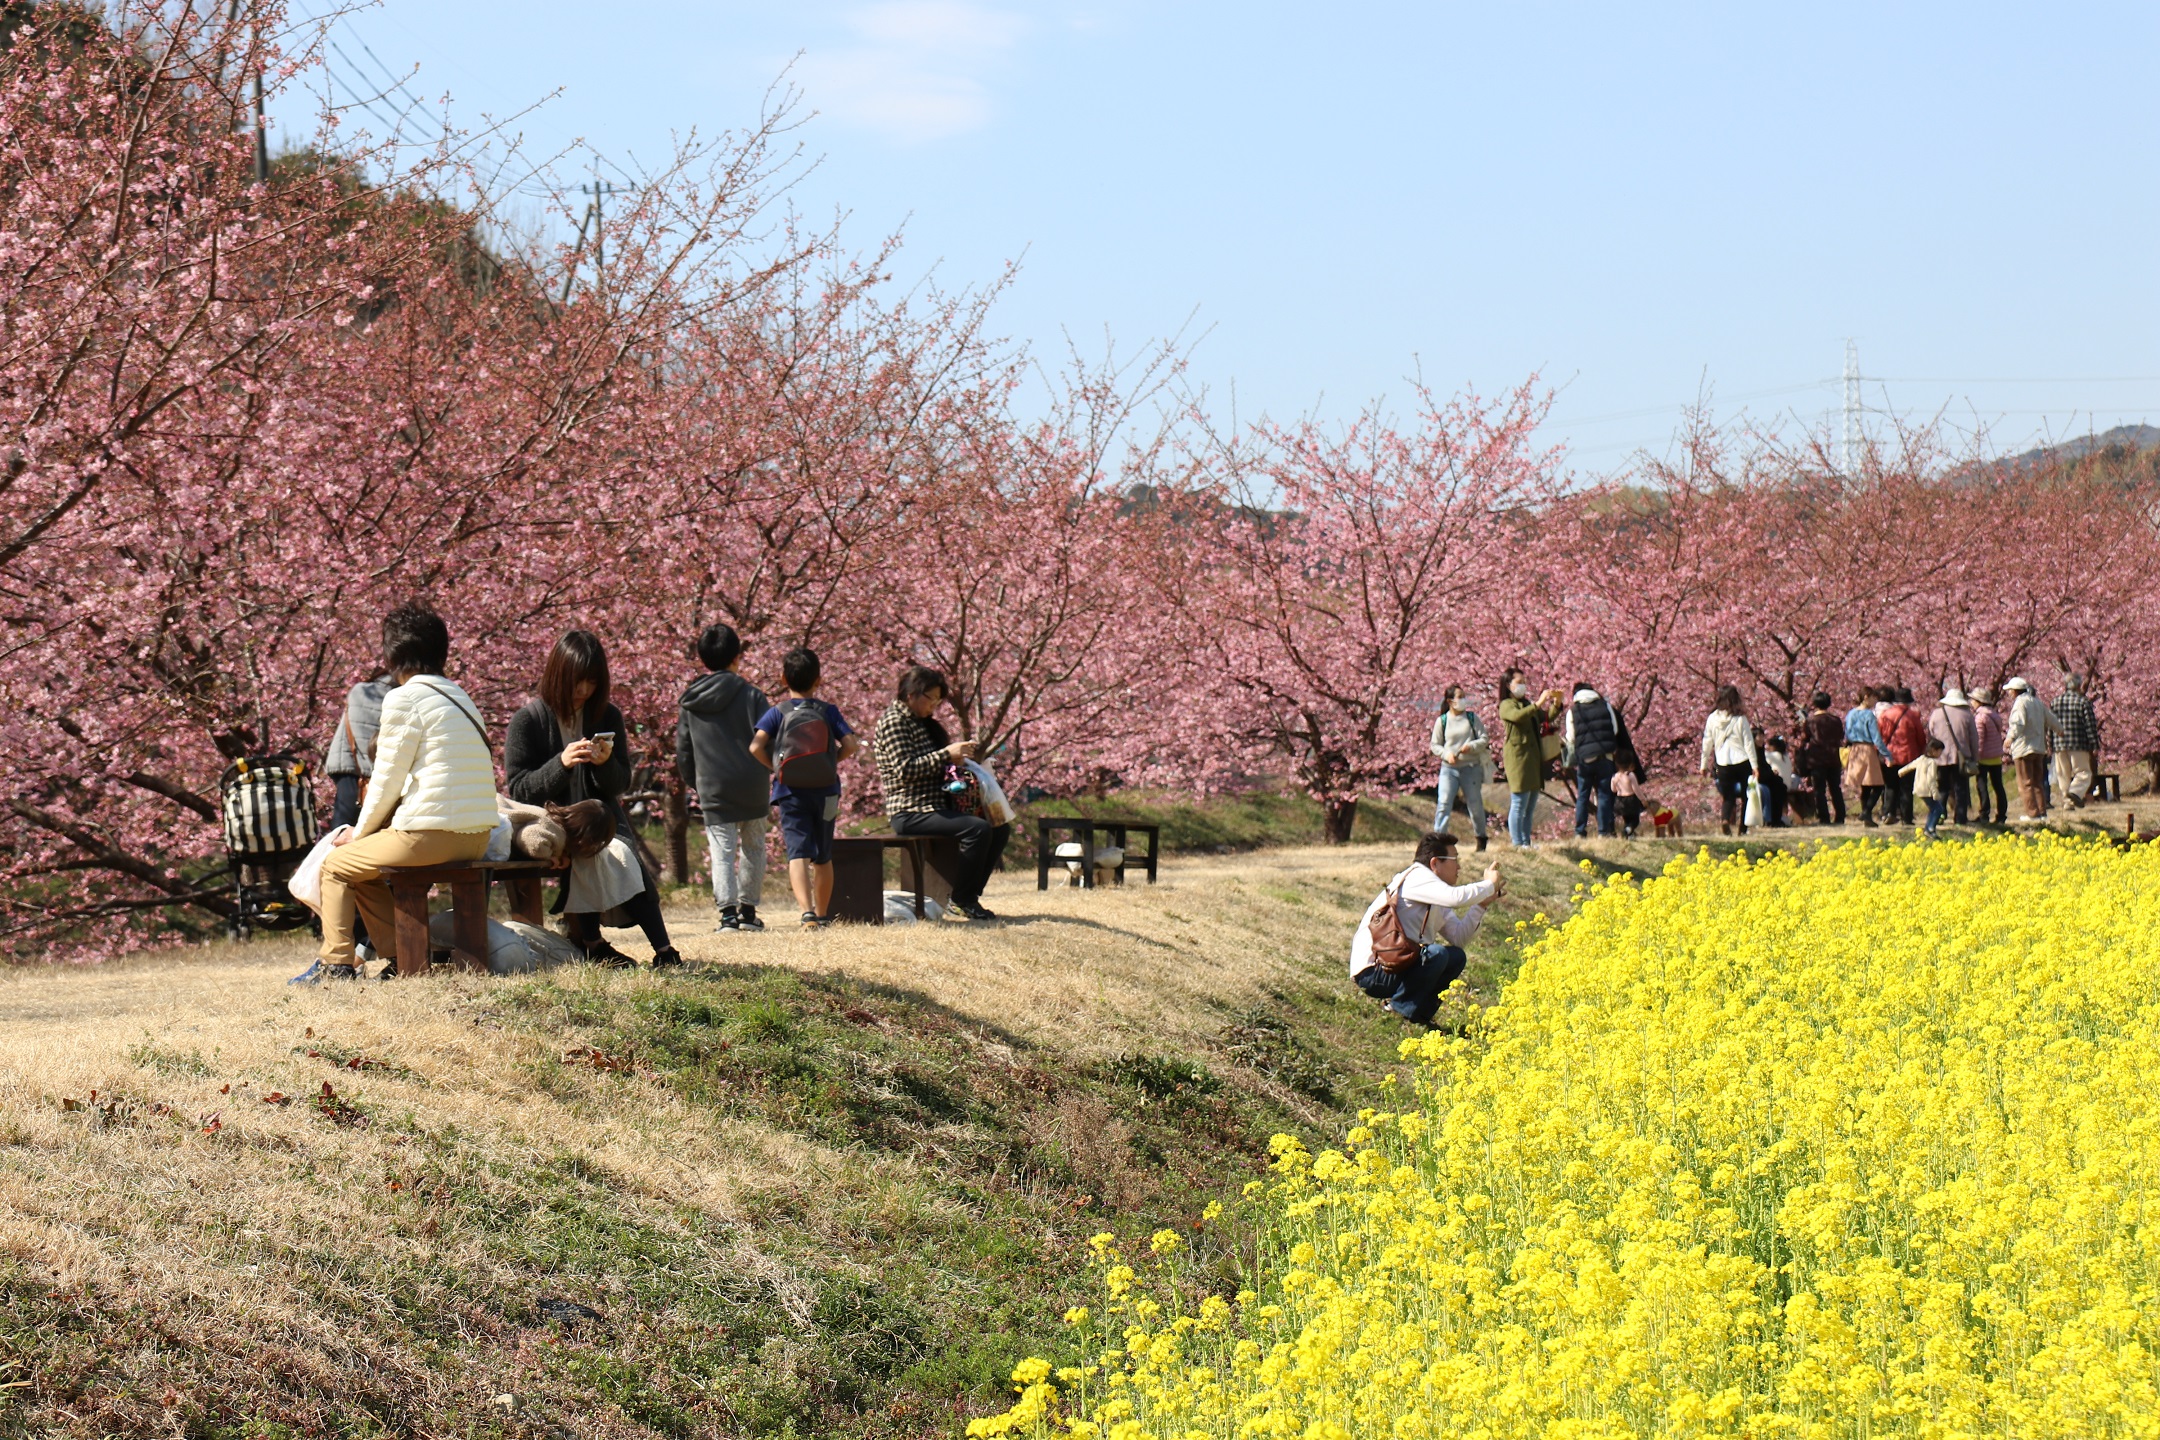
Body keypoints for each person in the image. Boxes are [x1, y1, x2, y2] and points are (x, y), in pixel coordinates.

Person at [293, 603, 499, 985]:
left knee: (337, 865)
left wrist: (359, 832)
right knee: (363, 871)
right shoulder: (460, 696)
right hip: (476, 835)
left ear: (391, 656)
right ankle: (403, 955)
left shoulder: (405, 698)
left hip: (432, 834)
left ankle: (336, 964)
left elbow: (385, 778)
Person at [506, 630, 683, 969]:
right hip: (550, 822)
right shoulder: (528, 721)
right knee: (593, 841)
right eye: (576, 682)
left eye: (591, 683)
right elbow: (519, 790)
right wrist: (560, 763)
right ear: (558, 675)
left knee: (622, 850)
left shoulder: (607, 714)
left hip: (599, 821)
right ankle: (594, 943)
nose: (583, 691)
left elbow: (620, 783)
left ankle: (662, 951)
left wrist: (604, 765)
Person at [873, 666, 998, 920]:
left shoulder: (922, 723)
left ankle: (969, 893)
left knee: (998, 825)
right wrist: (946, 754)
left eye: (938, 700)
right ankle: (962, 899)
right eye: (931, 698)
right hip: (910, 811)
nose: (934, 705)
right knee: (978, 829)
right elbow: (904, 770)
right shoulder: (894, 722)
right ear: (911, 694)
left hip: (935, 806)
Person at [749, 647, 861, 928]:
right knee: (823, 853)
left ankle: (806, 913)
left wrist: (776, 768)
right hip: (826, 791)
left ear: (783, 679)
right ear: (818, 680)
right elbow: (850, 745)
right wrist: (830, 761)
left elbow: (755, 746)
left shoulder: (778, 712)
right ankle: (823, 915)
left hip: (790, 791)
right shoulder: (828, 711)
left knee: (798, 851)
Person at [676, 623, 772, 933]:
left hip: (713, 784)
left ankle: (727, 915)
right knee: (754, 847)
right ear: (736, 657)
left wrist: (697, 783)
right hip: (753, 782)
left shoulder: (690, 701)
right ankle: (748, 911)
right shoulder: (753, 695)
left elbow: (684, 751)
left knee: (721, 850)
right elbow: (770, 738)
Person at [1348, 831, 1501, 1023]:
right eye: (1454, 859)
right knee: (1436, 954)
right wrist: (1488, 884)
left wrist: (1481, 905)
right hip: (1374, 971)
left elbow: (1458, 938)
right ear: (1435, 863)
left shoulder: (1433, 893)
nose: (1459, 866)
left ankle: (1418, 1015)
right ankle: (1398, 1009)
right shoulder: (1416, 877)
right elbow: (1455, 898)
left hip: (1397, 965)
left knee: (1455, 957)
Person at [1497, 670, 1562, 849]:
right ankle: (1517, 843)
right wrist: (1539, 702)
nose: (1523, 685)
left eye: (1524, 681)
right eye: (1519, 682)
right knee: (1519, 802)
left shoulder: (1525, 703)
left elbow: (1545, 717)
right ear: (1508, 685)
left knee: (1530, 803)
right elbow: (1519, 716)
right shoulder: (1506, 705)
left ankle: (1526, 841)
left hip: (1533, 758)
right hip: (1518, 760)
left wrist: (1556, 702)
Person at [1563, 682, 1632, 839]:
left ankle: (1580, 831)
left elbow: (1571, 737)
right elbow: (1614, 729)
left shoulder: (1573, 710)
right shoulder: (1605, 706)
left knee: (1583, 795)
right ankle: (1604, 831)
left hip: (1585, 758)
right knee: (1604, 794)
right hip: (1605, 756)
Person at [1428, 685, 1490, 852]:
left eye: (1464, 696)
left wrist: (1471, 746)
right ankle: (1438, 840)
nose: (1463, 700)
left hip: (1471, 767)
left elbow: (1484, 738)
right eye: (1459, 696)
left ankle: (1481, 837)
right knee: (1444, 803)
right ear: (1450, 701)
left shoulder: (1471, 718)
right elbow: (1435, 745)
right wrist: (1446, 754)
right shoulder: (1442, 721)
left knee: (1475, 804)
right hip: (1449, 768)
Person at [1698, 685, 1759, 837]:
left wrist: (1703, 764)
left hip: (1722, 762)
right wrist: (1755, 765)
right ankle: (1743, 828)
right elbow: (1748, 743)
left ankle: (1725, 820)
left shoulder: (1712, 718)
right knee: (1746, 796)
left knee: (1728, 797)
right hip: (1742, 761)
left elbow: (1707, 742)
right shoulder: (1740, 719)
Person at [2002, 676, 2062, 823]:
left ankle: (2032, 813)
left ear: (2015, 691)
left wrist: (2010, 738)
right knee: (2037, 781)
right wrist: (2060, 730)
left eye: (2010, 690)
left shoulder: (2020, 703)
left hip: (2023, 748)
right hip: (2039, 747)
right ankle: (2042, 812)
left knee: (2025, 782)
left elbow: (2018, 723)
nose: (2009, 693)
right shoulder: (2037, 702)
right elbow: (2051, 719)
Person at [1926, 688, 1980, 827]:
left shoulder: (1936, 714)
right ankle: (1960, 817)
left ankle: (1939, 815)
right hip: (1961, 757)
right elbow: (1974, 738)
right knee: (1960, 788)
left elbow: (1931, 734)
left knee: (1942, 787)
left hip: (1940, 756)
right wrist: (1975, 757)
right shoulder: (1967, 715)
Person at [2050, 673, 2101, 810]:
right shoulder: (2083, 702)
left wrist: (2051, 744)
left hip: (2059, 744)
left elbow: (2050, 724)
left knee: (2063, 775)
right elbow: (2090, 725)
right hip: (2079, 743)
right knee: (2083, 772)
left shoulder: (2055, 702)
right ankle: (2075, 793)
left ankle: (2068, 802)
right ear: (2079, 685)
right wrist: (2094, 744)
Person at [1878, 688, 1926, 826]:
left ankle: (1889, 813)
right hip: (1909, 755)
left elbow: (1880, 735)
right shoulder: (1913, 716)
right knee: (1906, 787)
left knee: (1890, 786)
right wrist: (1921, 751)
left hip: (1890, 756)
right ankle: (1906, 817)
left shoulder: (1885, 715)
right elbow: (1920, 737)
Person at [1798, 692, 1845, 825]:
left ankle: (1824, 818)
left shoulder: (1811, 721)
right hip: (1833, 758)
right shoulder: (1836, 720)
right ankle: (1840, 816)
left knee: (1819, 790)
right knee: (1835, 788)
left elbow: (1804, 738)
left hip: (1817, 759)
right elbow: (1840, 736)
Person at [1842, 687, 1887, 827]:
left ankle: (1866, 816)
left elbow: (1847, 734)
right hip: (1867, 749)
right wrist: (1886, 754)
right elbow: (1876, 738)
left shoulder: (1850, 714)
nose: (1875, 701)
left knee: (1865, 785)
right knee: (1878, 785)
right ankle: (1866, 812)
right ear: (1866, 697)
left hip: (1855, 749)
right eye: (1874, 698)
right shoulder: (1869, 715)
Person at [1970, 686, 2009, 825]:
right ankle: (2001, 815)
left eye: (1973, 700)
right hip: (1996, 756)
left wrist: (1975, 756)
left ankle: (1984, 814)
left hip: (1984, 757)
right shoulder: (1994, 715)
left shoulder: (1980, 717)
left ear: (1979, 701)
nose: (1971, 702)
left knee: (1982, 785)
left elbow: (1979, 739)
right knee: (1998, 786)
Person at [1902, 738, 1948, 837]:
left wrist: (1901, 772)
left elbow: (1910, 766)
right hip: (1927, 790)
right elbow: (1931, 779)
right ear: (1934, 751)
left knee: (1933, 808)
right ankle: (1930, 828)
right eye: (1940, 751)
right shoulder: (1932, 762)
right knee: (1938, 809)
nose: (1940, 754)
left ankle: (1929, 828)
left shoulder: (1922, 758)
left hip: (1919, 789)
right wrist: (1935, 793)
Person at [1760, 736, 1793, 827]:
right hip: (1788, 785)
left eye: (1769, 746)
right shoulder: (1786, 757)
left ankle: (1767, 818)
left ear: (1773, 746)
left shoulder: (1770, 756)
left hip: (1777, 785)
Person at [1611, 764, 1646, 838]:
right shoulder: (1630, 775)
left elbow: (1613, 789)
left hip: (1620, 800)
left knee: (1627, 820)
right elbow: (1636, 789)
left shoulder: (1615, 776)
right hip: (1631, 799)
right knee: (1635, 821)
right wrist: (1643, 799)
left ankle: (1629, 835)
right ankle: (1627, 830)